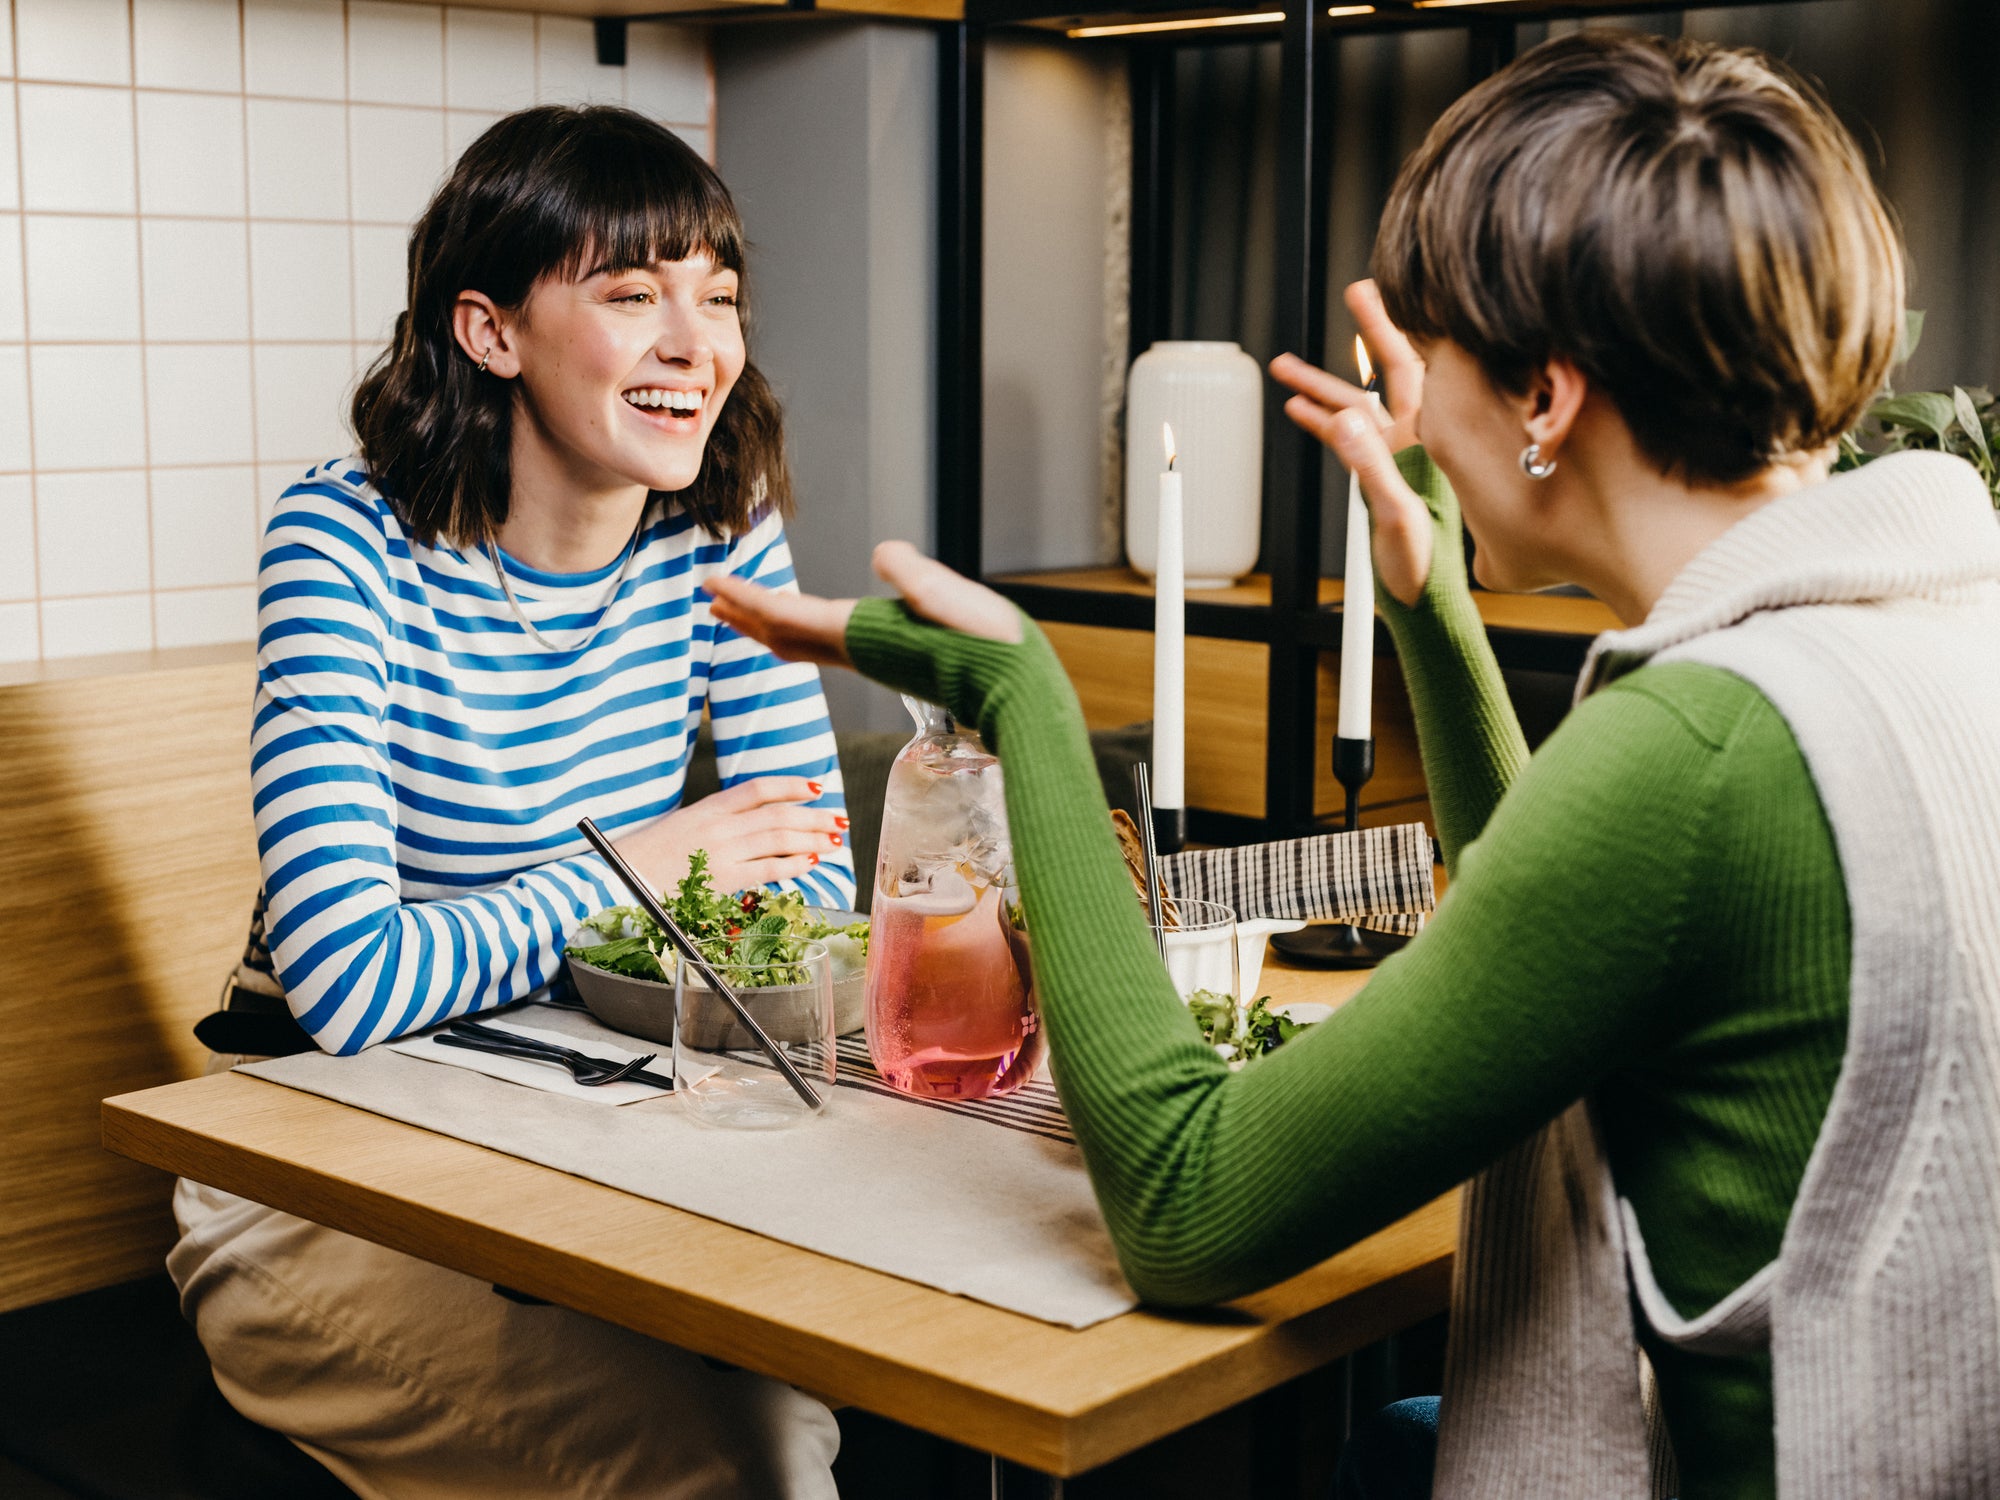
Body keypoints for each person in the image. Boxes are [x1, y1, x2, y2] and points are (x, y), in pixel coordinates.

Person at [709, 33, 2000, 1500]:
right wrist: (1429, 596)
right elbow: (1586, 903)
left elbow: (1189, 1205)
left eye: (1430, 343)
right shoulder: (1925, 621)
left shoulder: (1703, 748)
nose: (1408, 389)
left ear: (1546, 402)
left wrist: (1025, 701)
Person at [171, 107, 854, 1498]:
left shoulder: (720, 523)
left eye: (715, 296)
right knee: (739, 1469)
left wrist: (681, 885)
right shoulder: (344, 539)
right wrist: (643, 868)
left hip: (578, 1129)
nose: (697, 344)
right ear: (490, 332)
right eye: (628, 293)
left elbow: (815, 899)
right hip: (313, 1176)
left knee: (813, 1418)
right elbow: (350, 984)